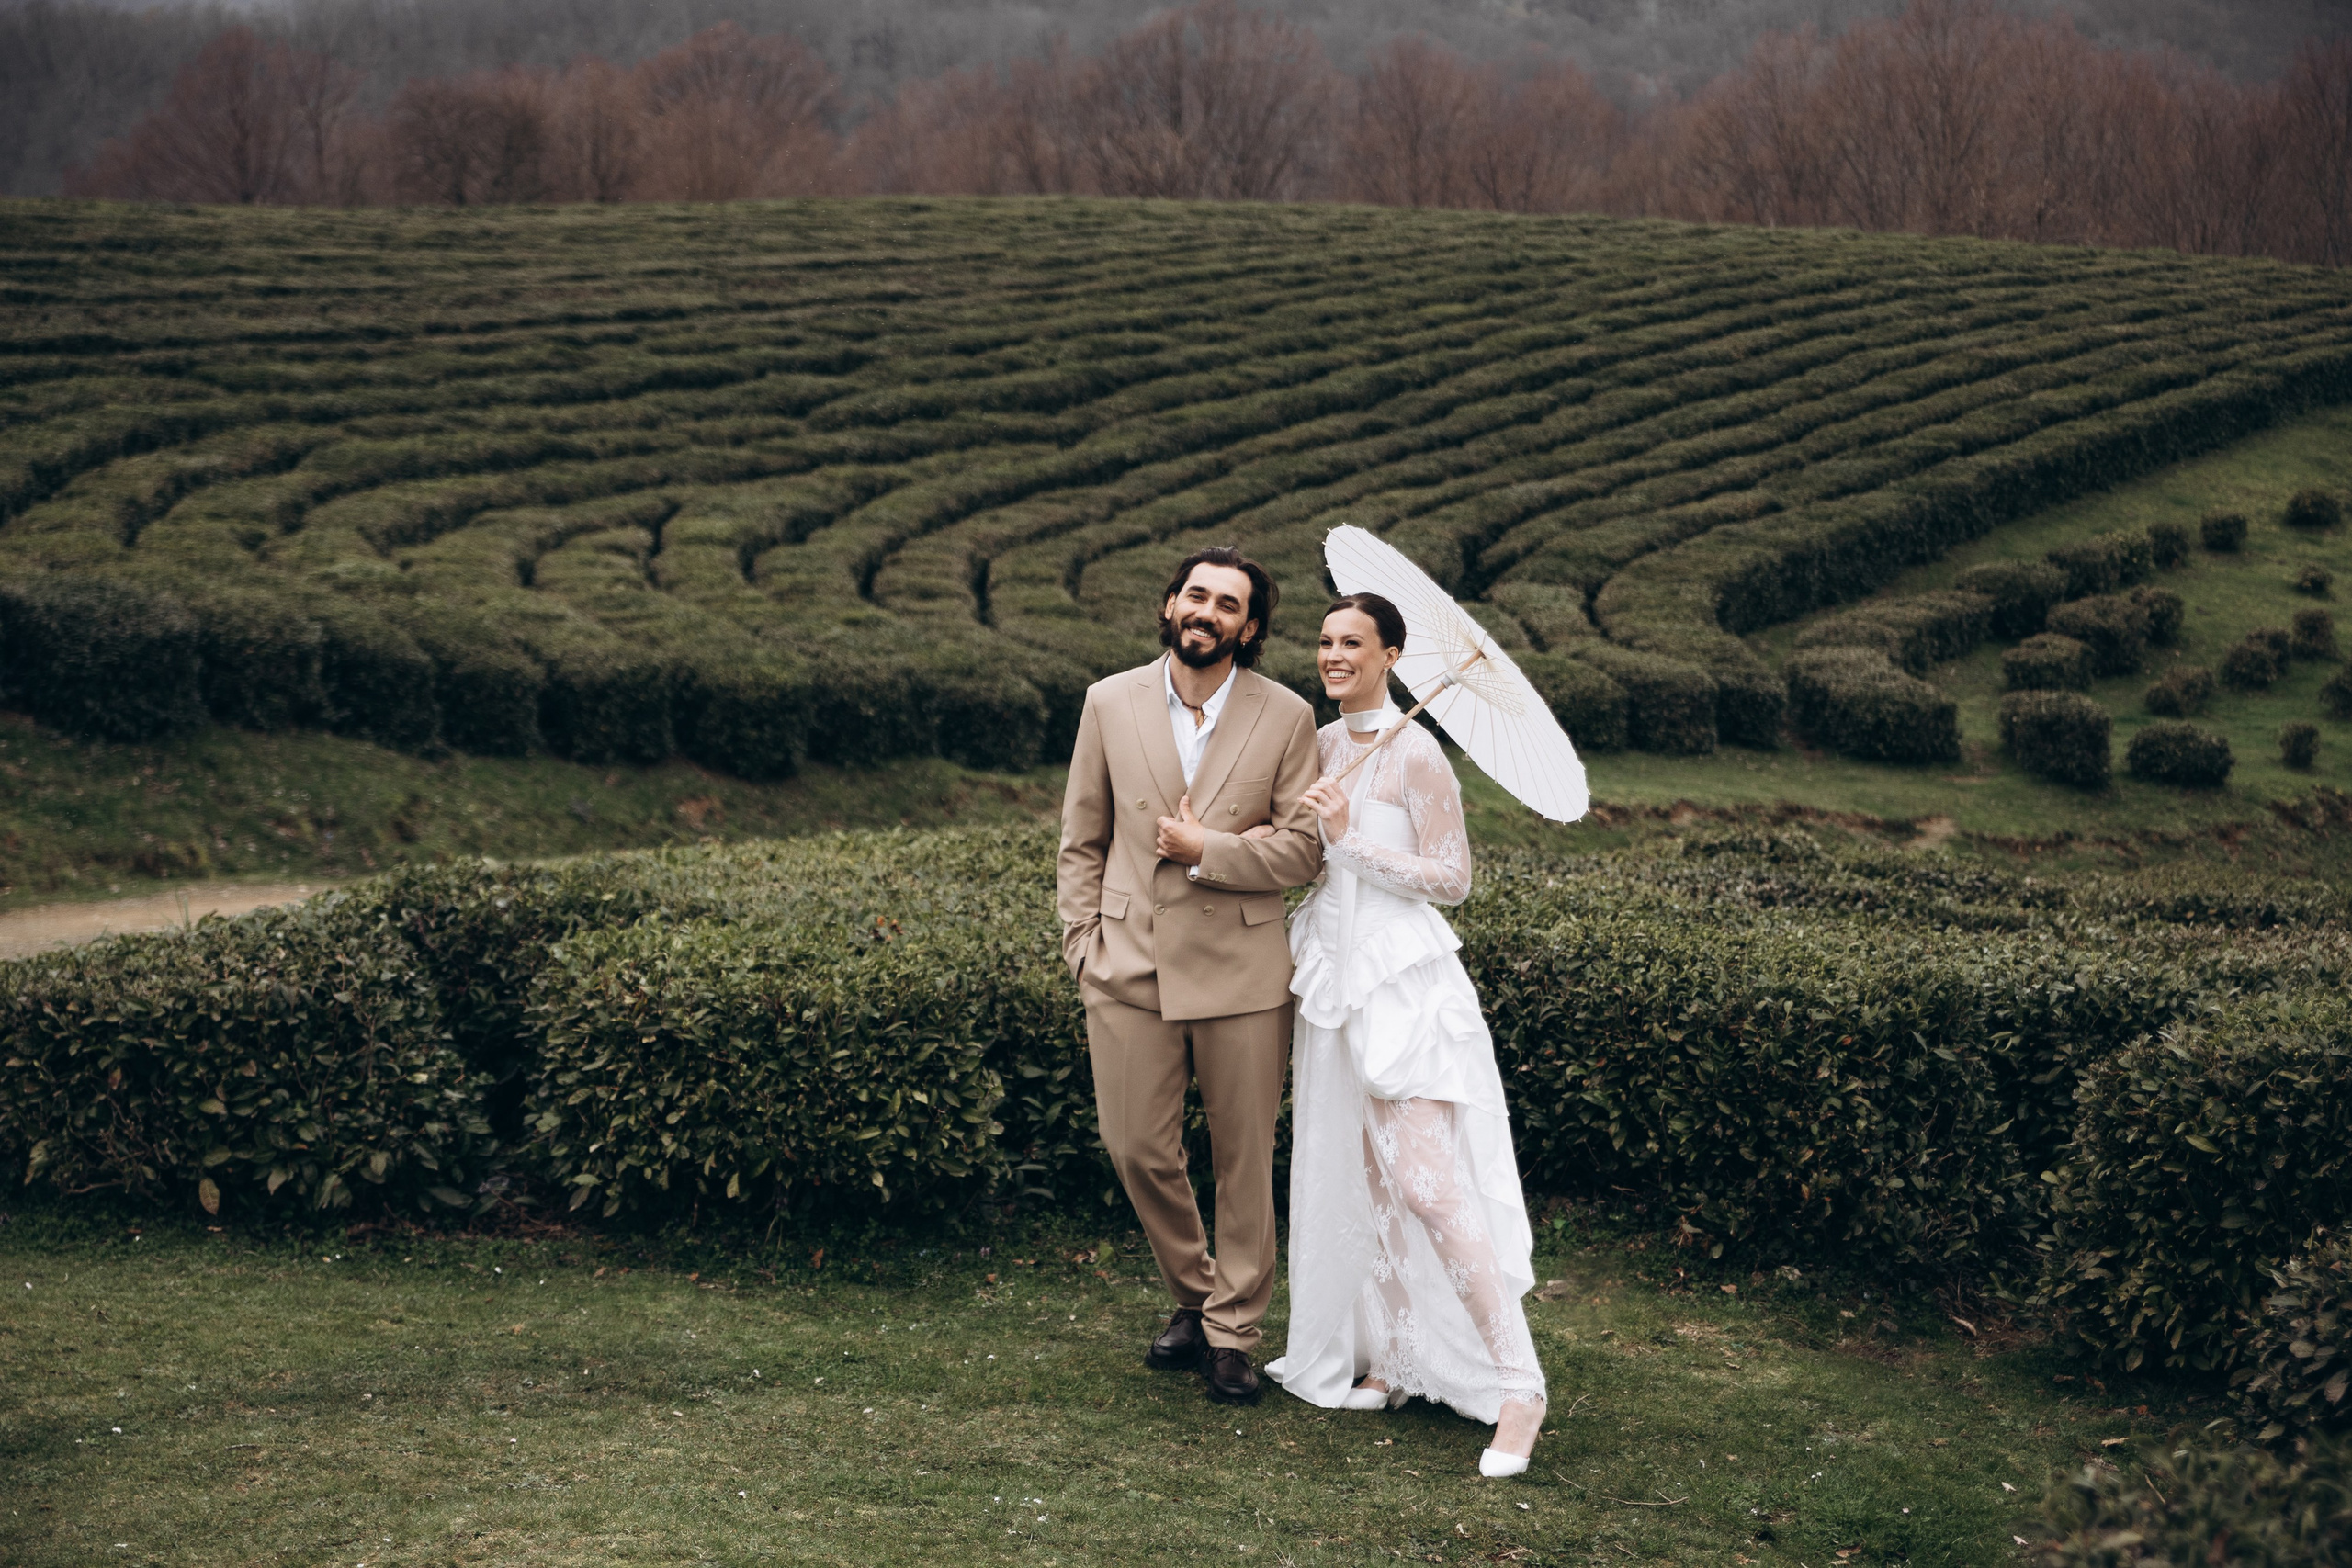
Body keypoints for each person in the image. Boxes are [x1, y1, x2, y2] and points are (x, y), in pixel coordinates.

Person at [1260, 592, 1549, 1478]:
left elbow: (1453, 878)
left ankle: (1518, 1386)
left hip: (1403, 981)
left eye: (1353, 642)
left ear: (1391, 654)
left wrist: (1351, 841)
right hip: (1332, 978)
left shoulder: (1419, 750)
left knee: (1429, 1184)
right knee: (1365, 1172)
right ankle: (1396, 1355)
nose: (1333, 655)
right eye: (1324, 641)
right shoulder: (1322, 741)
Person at [1056, 545, 1325, 1405]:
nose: (1208, 611)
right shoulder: (1108, 701)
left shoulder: (1286, 716)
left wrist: (1211, 850)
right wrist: (1083, 941)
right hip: (1128, 962)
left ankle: (1233, 1331)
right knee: (1135, 1145)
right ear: (1171, 605)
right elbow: (1081, 837)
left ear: (1250, 627)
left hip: (1244, 967)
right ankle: (1194, 1289)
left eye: (1229, 604)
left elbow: (1305, 850)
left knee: (1244, 1159)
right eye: (1196, 595)